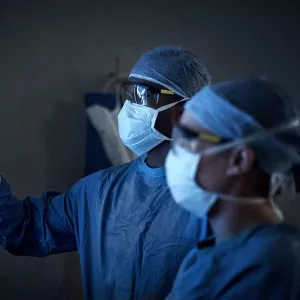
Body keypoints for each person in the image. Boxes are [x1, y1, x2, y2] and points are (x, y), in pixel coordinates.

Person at [0, 46, 212, 299]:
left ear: (185, 109)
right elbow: (25, 229)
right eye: (129, 94)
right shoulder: (98, 191)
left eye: (143, 95)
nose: (132, 107)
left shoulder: (213, 199)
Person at [165, 77, 300, 299]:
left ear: (239, 159)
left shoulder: (270, 266)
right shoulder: (212, 254)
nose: (176, 151)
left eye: (188, 139)